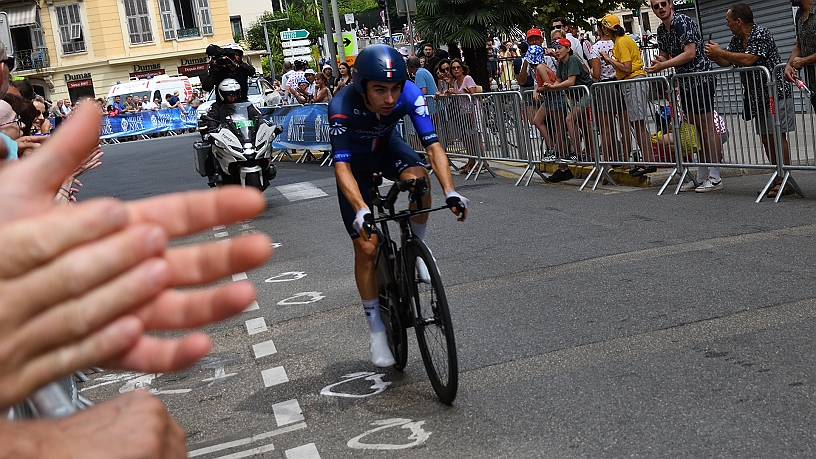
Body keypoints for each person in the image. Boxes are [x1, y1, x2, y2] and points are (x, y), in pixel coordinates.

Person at [328, 45, 468, 367]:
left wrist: (451, 191)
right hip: (355, 165)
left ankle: (416, 248)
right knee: (366, 247)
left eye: (394, 89)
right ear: (362, 85)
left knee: (420, 180)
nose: (390, 98)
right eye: (380, 90)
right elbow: (341, 167)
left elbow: (432, 146)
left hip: (387, 148)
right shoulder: (341, 105)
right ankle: (376, 328)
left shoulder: (409, 92)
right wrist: (362, 209)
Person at [705, 3, 795, 196]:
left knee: (777, 137)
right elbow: (728, 60)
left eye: (728, 21)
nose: (727, 25)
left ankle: (786, 179)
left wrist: (721, 53)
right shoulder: (737, 39)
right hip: (756, 97)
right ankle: (777, 176)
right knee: (765, 138)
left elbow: (748, 59)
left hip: (775, 93)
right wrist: (714, 55)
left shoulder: (761, 34)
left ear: (739, 21)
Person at [646, 0, 724, 192]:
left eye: (663, 3)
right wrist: (659, 60)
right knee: (695, 127)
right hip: (685, 82)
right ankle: (701, 176)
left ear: (671, 4)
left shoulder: (682, 22)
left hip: (700, 79)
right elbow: (665, 55)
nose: (660, 8)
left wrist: (663, 65)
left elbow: (690, 54)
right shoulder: (662, 31)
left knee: (706, 125)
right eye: (656, 6)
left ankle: (715, 176)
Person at [598, 14, 655, 176]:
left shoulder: (622, 42)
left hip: (634, 81)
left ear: (606, 29)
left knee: (638, 123)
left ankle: (648, 162)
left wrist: (609, 59)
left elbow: (627, 67)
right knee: (636, 123)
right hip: (630, 82)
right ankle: (647, 161)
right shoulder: (621, 41)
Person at [539, 38, 595, 182]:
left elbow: (570, 81)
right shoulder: (561, 63)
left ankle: (577, 152)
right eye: (556, 48)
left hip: (586, 93)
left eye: (560, 48)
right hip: (577, 95)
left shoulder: (573, 60)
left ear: (568, 49)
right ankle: (583, 153)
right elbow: (558, 80)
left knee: (569, 119)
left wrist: (552, 87)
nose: (557, 51)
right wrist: (548, 84)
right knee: (577, 122)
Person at [784, 0, 816, 108]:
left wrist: (804, 61)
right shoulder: (799, 14)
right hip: (813, 86)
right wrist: (789, 65)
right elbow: (799, 46)